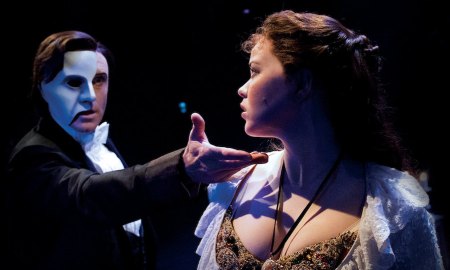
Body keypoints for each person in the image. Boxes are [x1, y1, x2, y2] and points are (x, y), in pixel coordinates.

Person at [194, 10, 444, 269]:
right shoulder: (236, 184)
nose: (242, 88)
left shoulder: (394, 213)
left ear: (302, 84)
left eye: (255, 71)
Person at [4, 30, 268, 270]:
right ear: (42, 87)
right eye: (73, 83)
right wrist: (182, 169)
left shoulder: (97, 139)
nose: (89, 96)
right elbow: (93, 195)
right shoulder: (32, 157)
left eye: (98, 80)